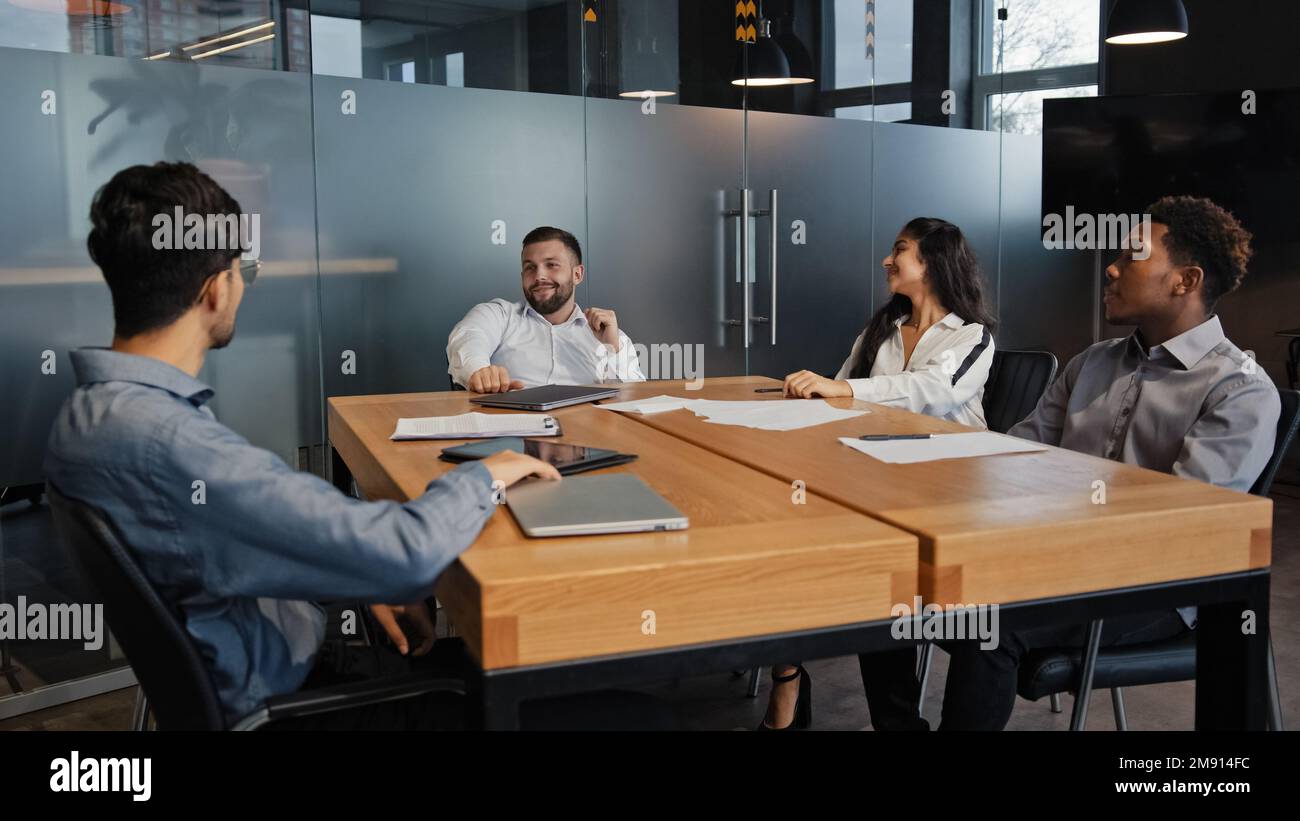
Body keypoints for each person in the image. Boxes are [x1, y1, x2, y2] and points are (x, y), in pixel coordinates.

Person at [44, 162, 561, 729]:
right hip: (294, 702)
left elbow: (220, 547)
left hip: (264, 658)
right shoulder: (170, 443)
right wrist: (488, 472)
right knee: (596, 707)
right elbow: (406, 553)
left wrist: (351, 576)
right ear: (217, 288)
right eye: (246, 269)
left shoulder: (89, 415)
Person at [861, 195, 1281, 731]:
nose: (1110, 265)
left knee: (992, 623)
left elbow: (1179, 528)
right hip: (1054, 560)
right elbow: (1010, 455)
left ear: (1185, 280)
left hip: (1157, 588)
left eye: (1131, 256)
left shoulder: (1238, 389)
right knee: (886, 583)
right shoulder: (1094, 361)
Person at [764, 216, 997, 730]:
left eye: (901, 250)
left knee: (926, 607)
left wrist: (843, 390)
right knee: (876, 595)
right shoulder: (880, 331)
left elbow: (934, 391)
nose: (887, 260)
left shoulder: (973, 337)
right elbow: (838, 397)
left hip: (952, 499)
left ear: (934, 262)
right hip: (880, 486)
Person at [446, 226, 646, 392]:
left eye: (551, 265)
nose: (539, 276)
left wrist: (612, 349)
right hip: (514, 433)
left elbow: (634, 398)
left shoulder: (611, 336)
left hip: (585, 434)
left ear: (577, 274)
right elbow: (468, 338)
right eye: (530, 267)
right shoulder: (498, 315)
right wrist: (480, 371)